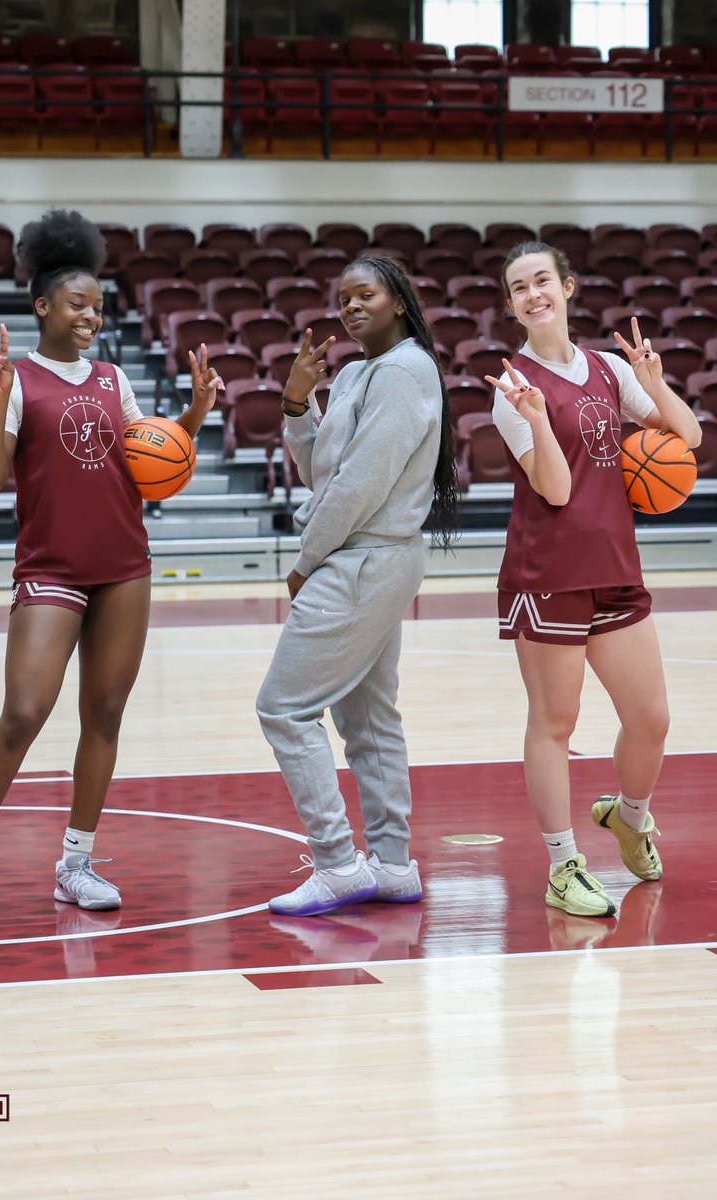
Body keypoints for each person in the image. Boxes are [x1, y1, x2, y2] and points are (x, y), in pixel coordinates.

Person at [0, 209, 221, 923]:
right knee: (23, 713)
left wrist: (189, 420)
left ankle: (77, 863)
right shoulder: (18, 381)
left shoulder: (112, 378)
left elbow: (147, 464)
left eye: (98, 305)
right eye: (78, 303)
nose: (93, 315)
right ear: (42, 306)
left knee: (106, 711)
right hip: (51, 568)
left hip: (124, 564)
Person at [485, 240, 702, 919]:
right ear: (512, 304)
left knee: (652, 720)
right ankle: (562, 863)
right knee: (556, 721)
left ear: (569, 287)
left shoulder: (609, 368)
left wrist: (656, 380)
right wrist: (533, 421)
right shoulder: (513, 389)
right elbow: (552, 488)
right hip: (547, 571)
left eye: (542, 280)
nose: (533, 294)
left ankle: (629, 816)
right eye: (520, 287)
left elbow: (687, 439)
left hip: (614, 566)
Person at [256, 254, 459, 917]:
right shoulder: (351, 374)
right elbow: (322, 469)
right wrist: (296, 404)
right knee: (369, 719)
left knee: (284, 708)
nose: (350, 306)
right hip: (365, 556)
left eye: (365, 294)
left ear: (398, 300)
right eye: (342, 298)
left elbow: (361, 484)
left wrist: (307, 559)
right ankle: (393, 864)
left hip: (361, 555)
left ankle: (339, 862)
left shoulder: (405, 371)